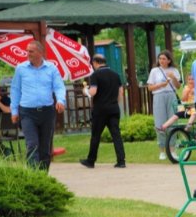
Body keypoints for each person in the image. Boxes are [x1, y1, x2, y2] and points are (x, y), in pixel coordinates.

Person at [10, 39, 66, 171]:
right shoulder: (21, 69)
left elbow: (59, 87)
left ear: (40, 52)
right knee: (32, 145)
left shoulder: (51, 68)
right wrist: (14, 111)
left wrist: (60, 100)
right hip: (27, 113)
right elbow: (15, 90)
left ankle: (43, 176)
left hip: (47, 112)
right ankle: (33, 177)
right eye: (27, 51)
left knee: (45, 147)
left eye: (31, 51)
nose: (27, 53)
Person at [79, 54, 126, 169]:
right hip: (114, 108)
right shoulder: (116, 75)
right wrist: (116, 104)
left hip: (100, 110)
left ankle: (91, 160)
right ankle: (121, 161)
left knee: (95, 135)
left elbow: (93, 92)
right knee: (116, 135)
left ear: (95, 62)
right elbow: (121, 92)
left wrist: (85, 91)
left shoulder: (96, 75)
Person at [147, 51, 181, 160]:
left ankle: (172, 150)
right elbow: (150, 88)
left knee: (172, 122)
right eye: (160, 58)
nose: (161, 61)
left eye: (164, 59)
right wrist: (161, 85)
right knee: (160, 123)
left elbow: (178, 86)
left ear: (169, 60)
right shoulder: (154, 71)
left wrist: (173, 78)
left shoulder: (174, 70)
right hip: (159, 96)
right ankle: (161, 150)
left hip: (171, 95)